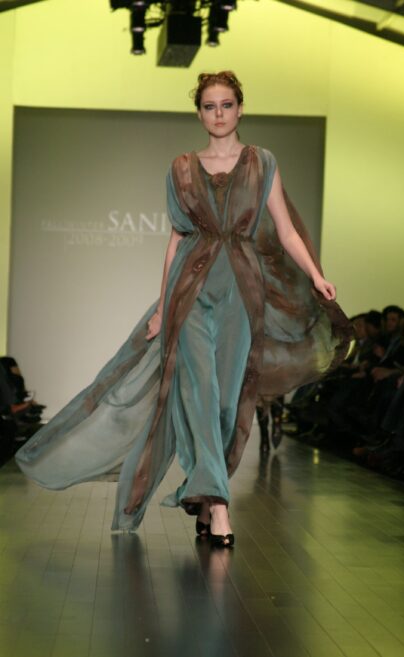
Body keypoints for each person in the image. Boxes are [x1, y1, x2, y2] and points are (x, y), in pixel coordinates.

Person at [15, 71, 352, 547]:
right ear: (199, 113)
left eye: (227, 104)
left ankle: (204, 492)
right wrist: (161, 308)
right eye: (210, 106)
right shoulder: (181, 168)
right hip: (189, 290)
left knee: (227, 400)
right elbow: (175, 242)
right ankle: (218, 506)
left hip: (242, 289)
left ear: (240, 109)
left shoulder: (263, 163)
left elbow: (286, 229)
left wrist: (316, 275)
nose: (219, 114)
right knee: (198, 392)